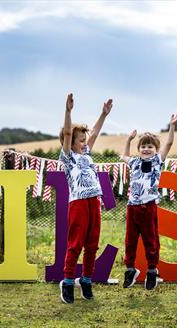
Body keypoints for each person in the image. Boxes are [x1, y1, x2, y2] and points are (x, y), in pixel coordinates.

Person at [59, 93, 112, 304]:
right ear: (70, 142)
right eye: (79, 139)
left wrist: (103, 114)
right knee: (75, 245)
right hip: (78, 203)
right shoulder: (67, 157)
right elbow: (69, 132)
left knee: (92, 245)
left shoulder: (87, 154)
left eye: (84, 139)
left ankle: (87, 281)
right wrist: (68, 111)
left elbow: (96, 132)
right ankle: (68, 282)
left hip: (94, 201)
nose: (83, 141)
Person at [120, 111, 177, 290]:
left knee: (150, 240)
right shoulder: (134, 162)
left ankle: (152, 271)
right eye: (143, 146)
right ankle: (130, 270)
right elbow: (123, 156)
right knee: (130, 240)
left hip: (149, 207)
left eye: (150, 147)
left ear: (155, 149)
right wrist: (128, 141)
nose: (146, 149)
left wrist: (172, 126)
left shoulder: (157, 161)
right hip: (133, 207)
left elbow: (168, 143)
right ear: (139, 149)